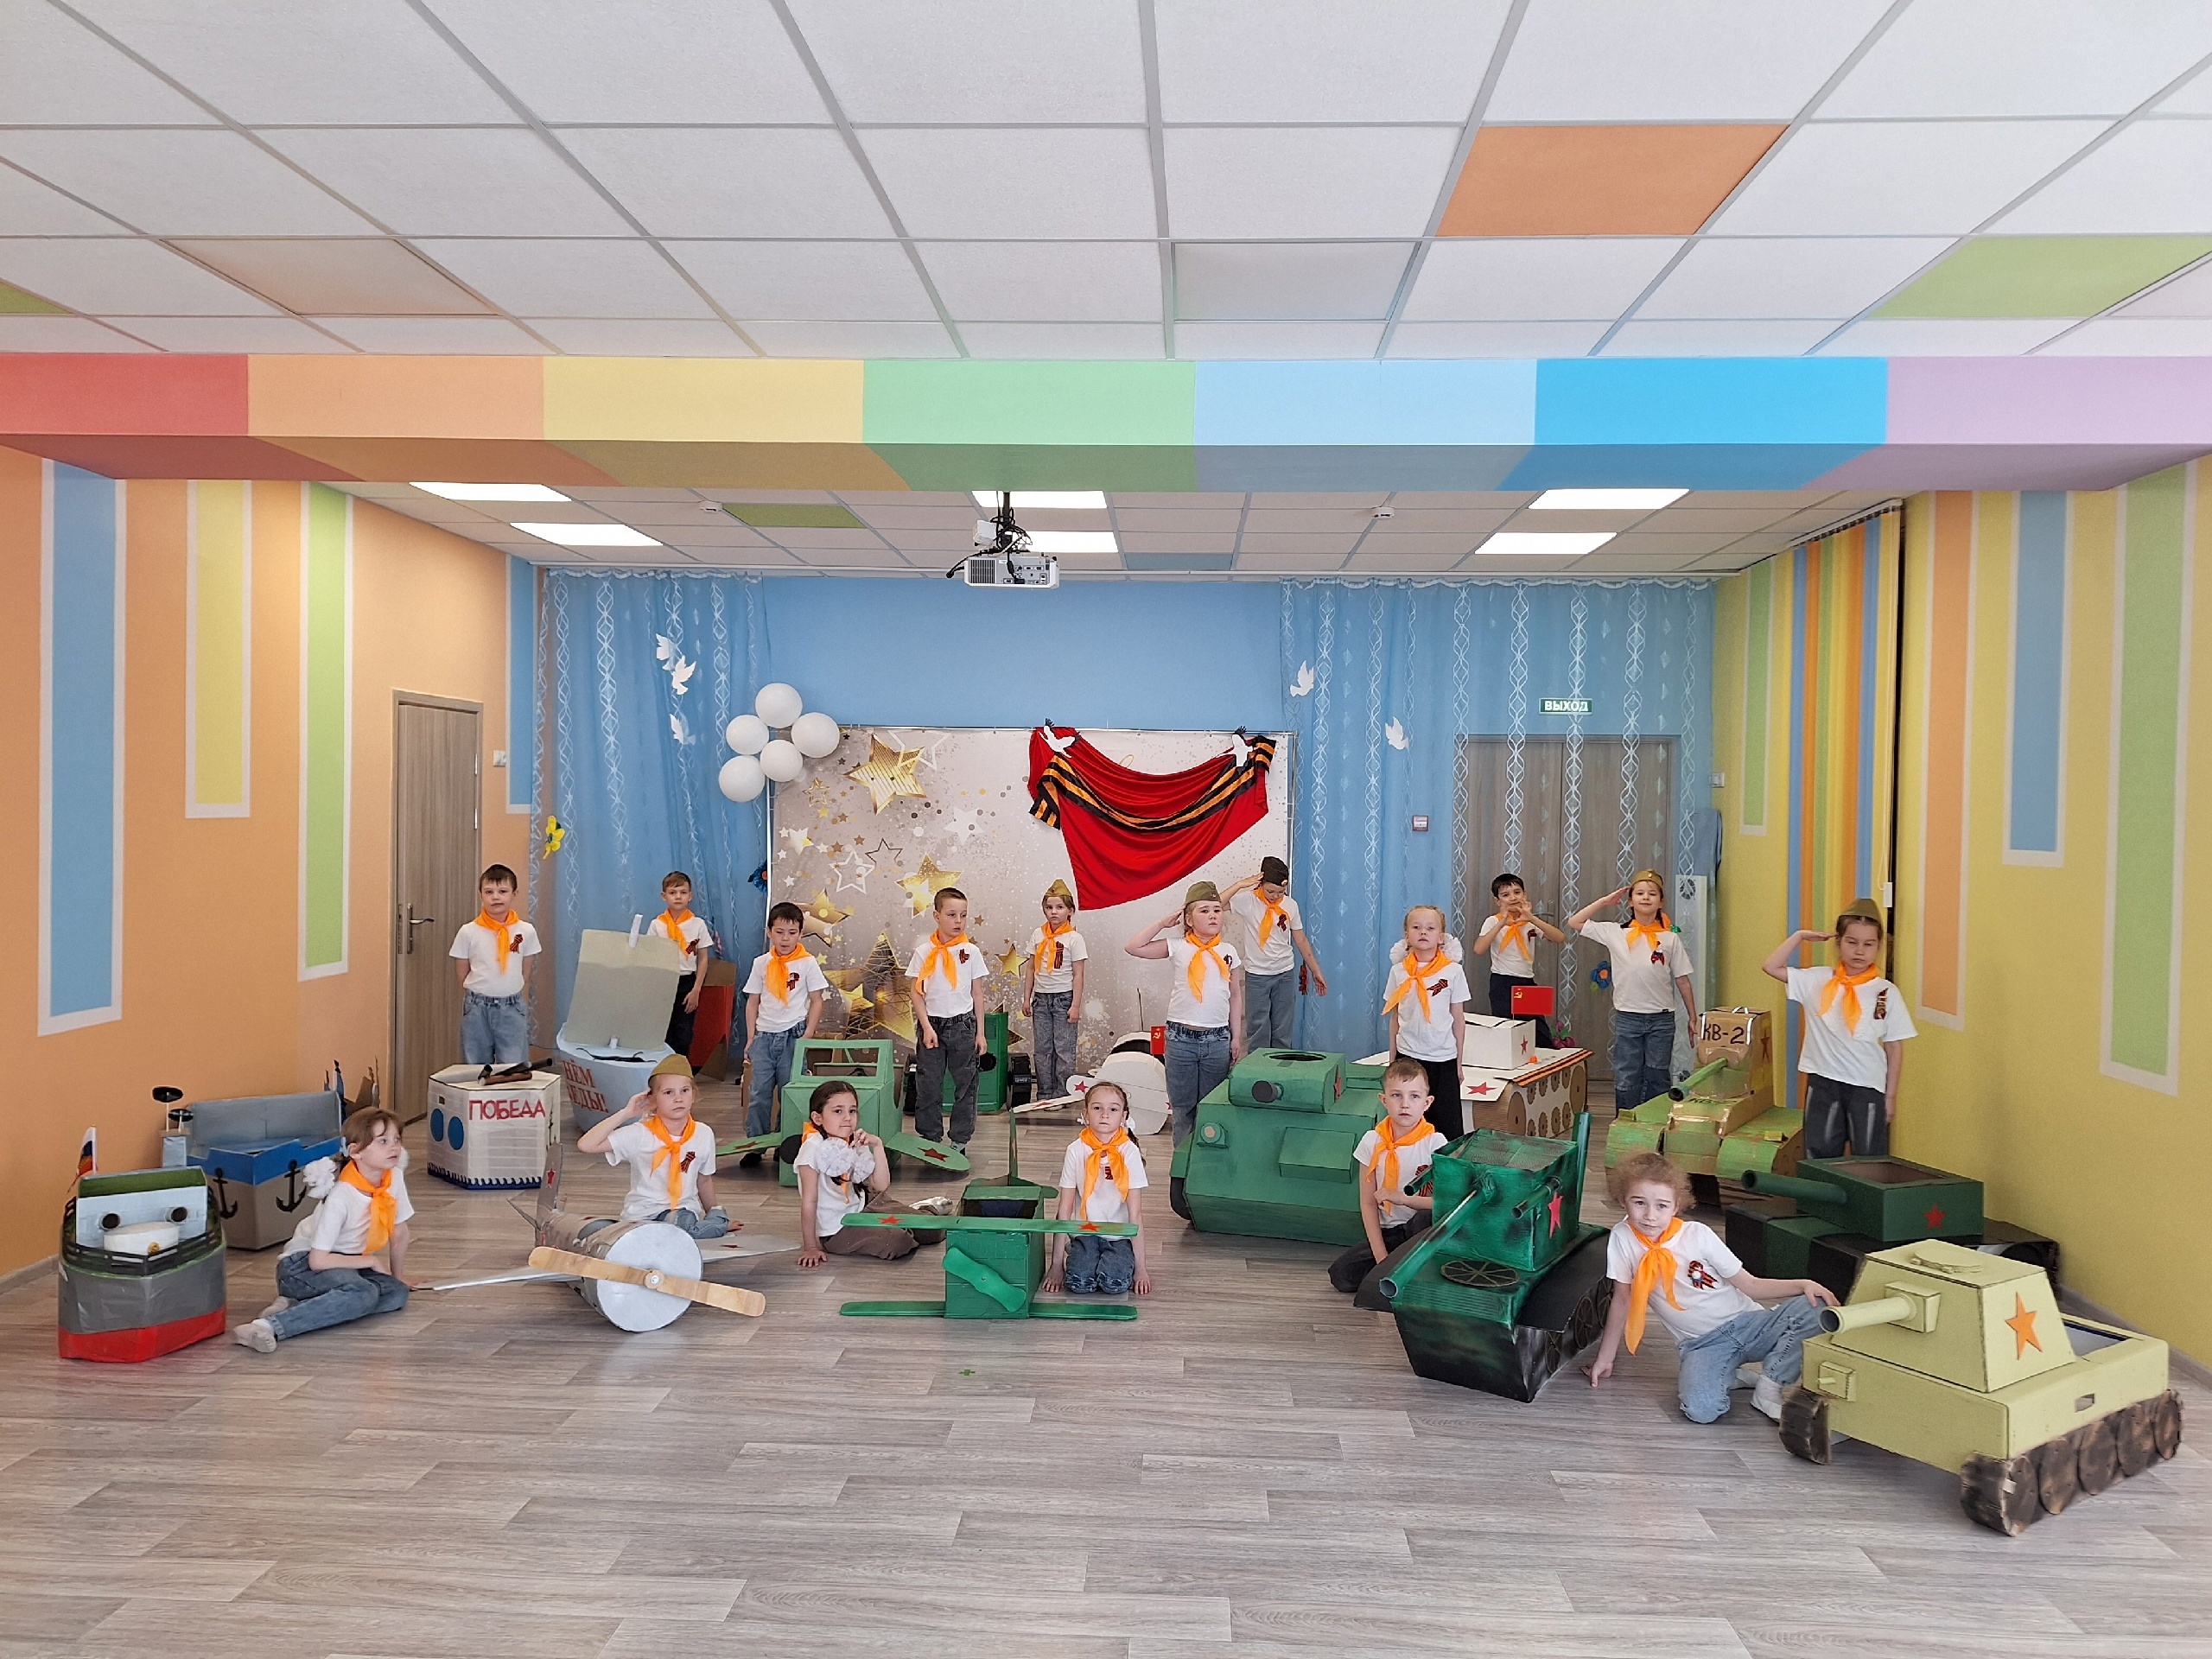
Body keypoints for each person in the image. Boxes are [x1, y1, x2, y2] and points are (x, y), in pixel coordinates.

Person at [1586, 1151, 1837, 1422]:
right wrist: (1605, 1358)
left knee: (1818, 1308)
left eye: (1661, 1205)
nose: (1650, 1215)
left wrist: (1803, 1284)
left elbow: (1750, 1285)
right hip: (1701, 1345)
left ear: (1676, 1206)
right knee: (1701, 1410)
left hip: (1749, 1324)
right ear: (1622, 1200)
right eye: (1639, 1203)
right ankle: (1730, 1373)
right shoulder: (1622, 1238)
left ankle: (1769, 1387)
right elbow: (1622, 1300)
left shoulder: (1698, 1235)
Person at [231, 1106, 416, 1351]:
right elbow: (317, 1261)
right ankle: (266, 1326)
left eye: (397, 1140)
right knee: (362, 1293)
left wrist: (397, 1276)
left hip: (347, 1263)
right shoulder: (341, 1195)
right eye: (383, 1141)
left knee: (397, 1293)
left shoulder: (394, 1178)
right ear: (355, 1151)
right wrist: (371, 1261)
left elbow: (399, 1233)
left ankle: (300, 1304)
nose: (394, 1147)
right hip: (301, 1265)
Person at [1764, 899, 1916, 1159]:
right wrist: (1799, 936)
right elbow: (1771, 966)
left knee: (1869, 1158)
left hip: (1868, 1086)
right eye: (1851, 942)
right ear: (1838, 942)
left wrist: (1890, 1097)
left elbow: (1894, 1047)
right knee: (1819, 1155)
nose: (1859, 951)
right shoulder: (1818, 980)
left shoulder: (1886, 992)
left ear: (1879, 946)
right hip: (1824, 1082)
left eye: (1868, 944)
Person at [1127, 880, 1245, 1146]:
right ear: (1189, 919)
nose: (1213, 915)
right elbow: (1134, 946)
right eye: (1204, 910)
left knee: (1211, 1108)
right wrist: (1162, 923)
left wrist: (1236, 1037)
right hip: (1181, 1040)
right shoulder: (1178, 946)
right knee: (1183, 1110)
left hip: (1217, 1039)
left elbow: (1235, 995)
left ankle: (1205, 1163)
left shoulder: (1228, 952)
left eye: (1217, 910)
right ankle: (1182, 1163)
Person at [1567, 870, 1697, 1111]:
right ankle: (1625, 1122)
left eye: (1652, 894)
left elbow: (1682, 980)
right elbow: (1575, 922)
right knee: (1627, 1075)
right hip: (1628, 1017)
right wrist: (1604, 901)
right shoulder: (1615, 932)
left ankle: (1655, 1122)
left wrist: (1692, 1017)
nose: (1646, 897)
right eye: (1639, 893)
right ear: (1630, 901)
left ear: (1661, 902)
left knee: (1657, 1074)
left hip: (1661, 1019)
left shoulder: (1670, 938)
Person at [577, 1054, 729, 1238]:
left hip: (681, 1213)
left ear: (694, 1095)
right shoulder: (640, 1133)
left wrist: (712, 1212)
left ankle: (714, 1222)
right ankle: (710, 1226)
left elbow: (704, 1180)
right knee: (594, 1232)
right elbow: (586, 1145)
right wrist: (627, 1113)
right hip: (641, 1215)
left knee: (679, 1226)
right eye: (668, 1092)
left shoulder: (703, 1133)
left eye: (684, 1091)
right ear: (653, 1099)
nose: (678, 1098)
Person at [793, 1079, 943, 1264]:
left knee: (934, 1230)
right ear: (818, 1118)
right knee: (896, 1242)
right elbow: (809, 1201)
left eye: (852, 1111)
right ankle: (905, 1224)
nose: (847, 1118)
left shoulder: (855, 1138)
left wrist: (877, 1145)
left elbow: (881, 1186)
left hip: (867, 1203)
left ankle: (919, 1213)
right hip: (838, 1228)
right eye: (838, 1111)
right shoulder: (812, 1148)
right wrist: (811, 1247)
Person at [1328, 1058, 1446, 1294]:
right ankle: (1401, 1271)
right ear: (1384, 1100)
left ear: (1427, 1103)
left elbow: (1445, 1203)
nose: (1405, 1104)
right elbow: (1368, 1203)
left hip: (1419, 1231)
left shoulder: (1436, 1143)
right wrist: (1381, 1258)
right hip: (1390, 1233)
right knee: (1341, 1275)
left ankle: (1414, 1273)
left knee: (1427, 1217)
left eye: (1414, 1096)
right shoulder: (1372, 1141)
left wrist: (1403, 1199)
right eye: (1396, 1095)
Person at [1042, 1080, 1153, 1297]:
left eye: (1113, 1109)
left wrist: (1141, 1270)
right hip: (1086, 1231)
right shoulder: (1075, 1150)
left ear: (1124, 1116)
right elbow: (1064, 1209)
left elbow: (1135, 1213)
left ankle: (1122, 1258)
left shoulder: (1129, 1152)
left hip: (1119, 1235)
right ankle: (1078, 1251)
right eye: (1097, 1108)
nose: (1104, 1115)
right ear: (1085, 1114)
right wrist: (1056, 1265)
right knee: (1079, 1283)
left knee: (1114, 1284)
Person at [741, 899, 827, 1160]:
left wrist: (807, 1035)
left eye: (792, 932)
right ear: (769, 932)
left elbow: (817, 1000)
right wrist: (751, 1037)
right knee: (759, 1094)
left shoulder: (807, 963)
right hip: (764, 1036)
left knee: (790, 1094)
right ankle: (756, 1145)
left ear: (800, 933)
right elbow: (753, 1001)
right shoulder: (761, 963)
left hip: (793, 1035)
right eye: (779, 932)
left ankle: (785, 1144)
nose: (785, 938)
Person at [909, 887, 988, 1149]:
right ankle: (930, 1137)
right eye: (952, 915)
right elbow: (916, 992)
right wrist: (926, 1027)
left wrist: (980, 1033)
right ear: (937, 916)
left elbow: (977, 993)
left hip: (962, 1025)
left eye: (963, 915)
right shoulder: (924, 951)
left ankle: (960, 1139)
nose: (958, 921)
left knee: (966, 1084)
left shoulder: (970, 951)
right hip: (932, 1025)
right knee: (928, 1083)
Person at [1224, 856, 1327, 1051]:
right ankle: (1258, 1068)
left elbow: (1300, 939)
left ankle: (1280, 1067)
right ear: (1261, 883)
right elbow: (1215, 905)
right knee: (1258, 1028)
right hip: (1257, 975)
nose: (1275, 896)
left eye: (1280, 892)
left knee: (1282, 1030)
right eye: (1270, 891)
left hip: (1284, 973)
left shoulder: (1290, 905)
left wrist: (1316, 971)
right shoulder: (1248, 901)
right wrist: (1239, 885)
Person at [1382, 906, 1468, 1135]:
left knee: (1446, 1126)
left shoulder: (1453, 972)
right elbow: (1395, 1018)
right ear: (1406, 935)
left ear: (1441, 937)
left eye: (1430, 928)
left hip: (1443, 1058)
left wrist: (1459, 1064)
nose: (1423, 932)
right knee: (1408, 1122)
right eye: (1416, 927)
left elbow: (1458, 1020)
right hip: (1408, 1055)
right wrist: (1392, 1060)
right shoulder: (1399, 971)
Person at [449, 864, 540, 1066]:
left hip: (512, 1006)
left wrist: (514, 989)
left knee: (514, 1064)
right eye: (489, 892)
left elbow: (527, 967)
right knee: (475, 1064)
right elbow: (462, 970)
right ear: (480, 895)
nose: (496, 897)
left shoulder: (526, 931)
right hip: (477, 1007)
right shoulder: (468, 931)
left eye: (503, 892)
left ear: (514, 894)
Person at [1472, 872, 1563, 1050]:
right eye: (1506, 895)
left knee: (1540, 1034)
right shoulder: (1492, 921)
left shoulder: (1529, 922)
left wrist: (1531, 918)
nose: (1513, 898)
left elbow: (1559, 937)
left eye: (1517, 892)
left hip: (1527, 982)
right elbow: (1478, 949)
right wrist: (1502, 923)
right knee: (1507, 1032)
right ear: (1498, 901)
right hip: (1502, 983)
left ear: (1525, 894)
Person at [1020, 879, 1089, 1102]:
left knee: (1064, 1048)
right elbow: (1031, 968)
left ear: (1070, 911)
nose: (1054, 912)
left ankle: (1062, 1093)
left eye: (1059, 907)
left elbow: (1078, 974)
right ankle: (1045, 1092)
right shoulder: (1038, 935)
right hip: (1041, 999)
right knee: (1042, 1049)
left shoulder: (1074, 938)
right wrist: (1027, 998)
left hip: (1064, 999)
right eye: (1049, 907)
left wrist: (1075, 1006)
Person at [653, 870, 716, 1058]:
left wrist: (696, 989)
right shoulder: (657, 925)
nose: (678, 897)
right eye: (673, 893)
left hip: (686, 982)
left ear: (691, 896)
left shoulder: (697, 924)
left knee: (683, 1033)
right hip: (663, 981)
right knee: (662, 1032)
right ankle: (660, 1071)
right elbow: (651, 958)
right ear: (664, 896)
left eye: (683, 892)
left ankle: (680, 1071)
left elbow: (703, 958)